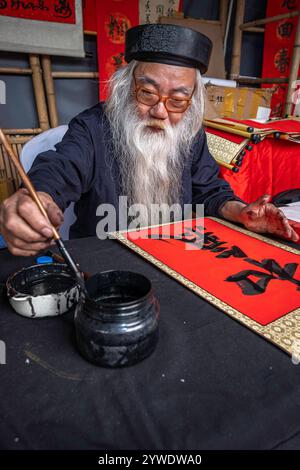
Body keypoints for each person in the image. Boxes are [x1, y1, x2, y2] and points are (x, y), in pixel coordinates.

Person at [0, 24, 298, 256]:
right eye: (147, 93)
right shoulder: (93, 127)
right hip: (105, 257)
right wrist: (36, 197)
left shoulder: (189, 132)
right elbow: (58, 169)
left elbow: (210, 190)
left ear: (191, 102)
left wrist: (241, 212)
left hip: (172, 255)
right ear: (126, 86)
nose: (159, 111)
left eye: (178, 100)